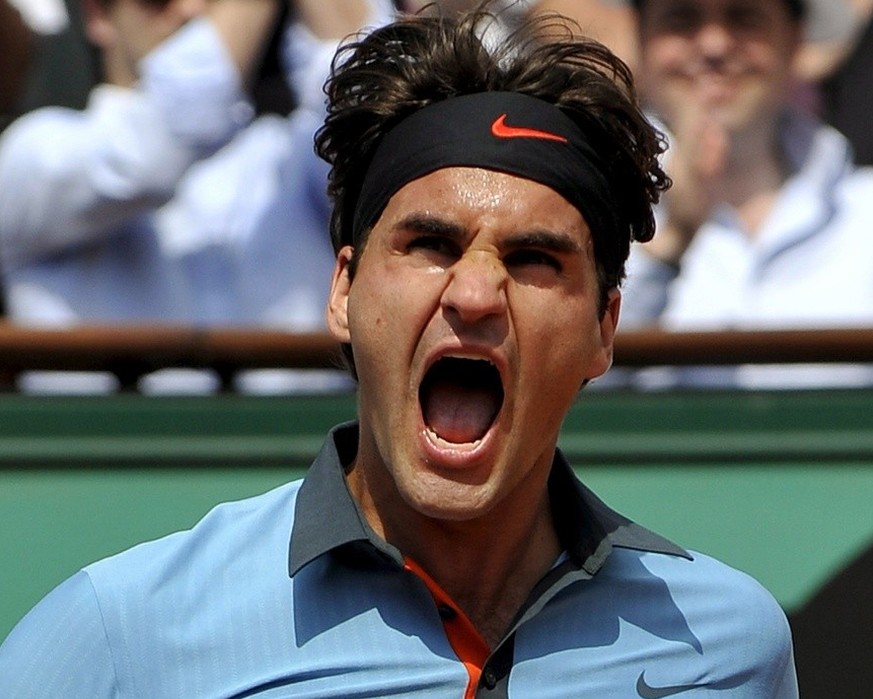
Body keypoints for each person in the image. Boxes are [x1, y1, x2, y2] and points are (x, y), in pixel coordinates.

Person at [0, 6, 798, 697]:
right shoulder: (122, 627)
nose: (475, 295)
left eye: (532, 259)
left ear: (602, 328)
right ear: (343, 292)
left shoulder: (729, 644)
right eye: (429, 244)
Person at [0, 0, 390, 394]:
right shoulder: (34, 151)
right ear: (98, 16)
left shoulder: (290, 157)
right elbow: (146, 156)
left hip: (300, 448)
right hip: (101, 451)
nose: (190, 10)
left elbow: (382, 126)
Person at [619, 0, 873, 389]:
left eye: (745, 17)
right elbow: (562, 391)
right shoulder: (587, 204)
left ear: (795, 39)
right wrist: (671, 240)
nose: (714, 45)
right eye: (682, 19)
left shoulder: (863, 212)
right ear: (641, 38)